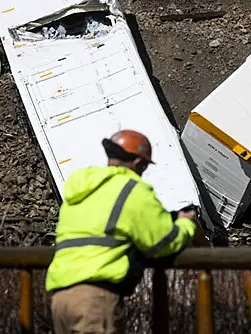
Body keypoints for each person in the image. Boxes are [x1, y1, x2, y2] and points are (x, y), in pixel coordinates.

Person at [46, 130, 198, 334]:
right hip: (94, 299)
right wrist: (185, 224)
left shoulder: (83, 187)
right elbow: (163, 242)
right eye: (144, 166)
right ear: (138, 162)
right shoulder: (132, 190)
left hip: (60, 299)